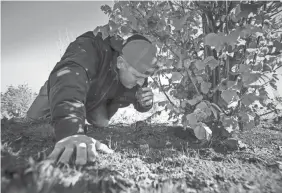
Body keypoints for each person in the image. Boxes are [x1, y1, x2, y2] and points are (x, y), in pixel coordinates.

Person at [26, 30, 158, 165]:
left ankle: (79, 113)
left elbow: (136, 99)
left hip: (97, 98)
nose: (141, 83)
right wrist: (72, 132)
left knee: (102, 123)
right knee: (32, 121)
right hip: (64, 85)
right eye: (137, 77)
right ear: (120, 62)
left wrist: (144, 103)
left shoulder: (137, 67)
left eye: (144, 78)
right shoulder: (91, 46)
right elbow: (69, 80)